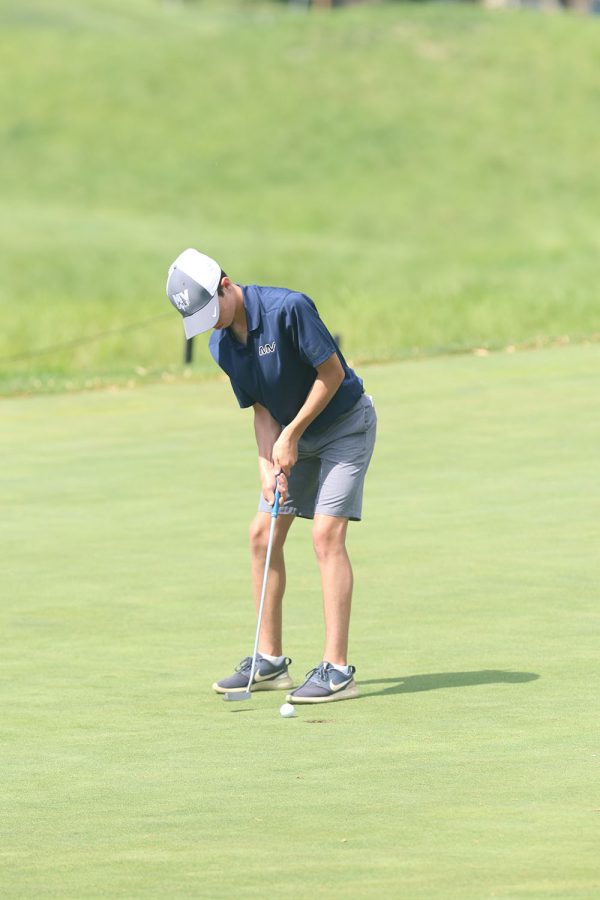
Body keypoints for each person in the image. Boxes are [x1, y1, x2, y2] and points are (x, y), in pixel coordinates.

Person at [166, 248, 377, 703]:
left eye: (209, 310)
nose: (210, 323)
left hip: (344, 426)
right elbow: (261, 407)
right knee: (262, 533)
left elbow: (332, 374)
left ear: (225, 285)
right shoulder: (221, 343)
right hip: (290, 440)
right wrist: (267, 463)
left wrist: (292, 435)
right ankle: (271, 662)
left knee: (325, 536)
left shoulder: (289, 309)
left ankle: (338, 671)